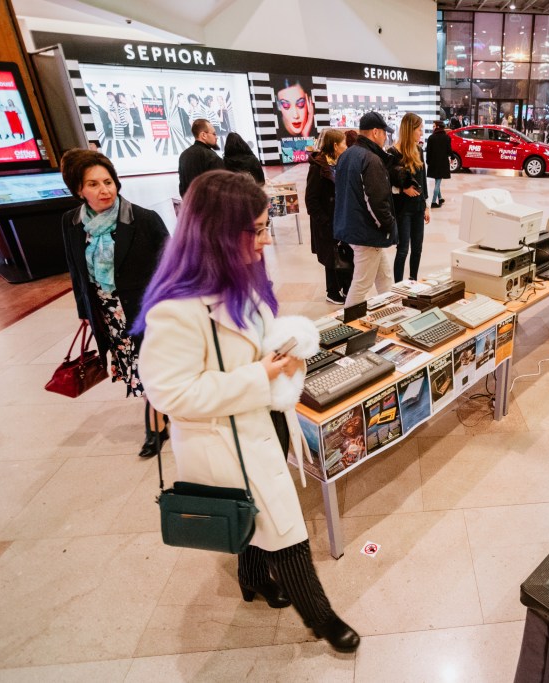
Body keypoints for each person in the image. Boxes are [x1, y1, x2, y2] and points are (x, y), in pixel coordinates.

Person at [135, 170, 360, 654]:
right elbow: (170, 393)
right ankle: (322, 620)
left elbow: (258, 341)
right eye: (255, 230)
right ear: (218, 232)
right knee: (287, 529)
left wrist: (288, 350)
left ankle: (254, 577)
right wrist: (260, 376)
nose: (265, 240)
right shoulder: (176, 309)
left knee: (254, 516)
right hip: (226, 441)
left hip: (264, 422)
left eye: (264, 227)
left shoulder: (239, 276)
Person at [59, 149, 169, 457]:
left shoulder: (143, 219)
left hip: (146, 310)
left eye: (108, 182)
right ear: (79, 190)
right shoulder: (72, 222)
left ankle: (156, 426)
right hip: (108, 314)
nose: (104, 190)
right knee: (135, 366)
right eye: (93, 184)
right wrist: (84, 311)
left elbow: (172, 267)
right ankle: (160, 414)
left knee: (150, 367)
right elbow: (76, 270)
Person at [333, 111, 398, 307]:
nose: (386, 137)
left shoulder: (347, 155)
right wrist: (389, 226)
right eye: (384, 133)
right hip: (367, 232)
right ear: (375, 132)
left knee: (384, 277)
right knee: (362, 284)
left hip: (353, 227)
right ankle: (348, 321)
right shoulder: (371, 159)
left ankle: (392, 310)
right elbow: (376, 202)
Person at [306, 129, 352, 304]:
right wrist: (325, 222)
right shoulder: (318, 167)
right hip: (328, 222)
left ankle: (346, 288)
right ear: (335, 145)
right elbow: (311, 200)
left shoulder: (339, 163)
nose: (346, 146)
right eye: (344, 143)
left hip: (341, 218)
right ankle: (332, 292)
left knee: (343, 253)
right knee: (331, 257)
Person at [387, 113, 430, 282]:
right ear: (409, 130)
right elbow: (387, 183)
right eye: (419, 129)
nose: (421, 132)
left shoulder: (419, 150)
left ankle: (413, 281)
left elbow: (422, 180)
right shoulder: (392, 153)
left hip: (418, 207)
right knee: (403, 249)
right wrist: (402, 189)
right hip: (402, 209)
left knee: (417, 248)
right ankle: (398, 286)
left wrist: (426, 205)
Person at [178, 119, 224, 196]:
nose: (216, 137)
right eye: (214, 134)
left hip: (189, 202)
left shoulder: (183, 155)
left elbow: (182, 187)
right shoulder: (211, 157)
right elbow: (222, 187)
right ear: (203, 135)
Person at [426, 120, 451, 208]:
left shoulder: (431, 137)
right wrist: (452, 157)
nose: (433, 128)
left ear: (438, 127)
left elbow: (428, 151)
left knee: (437, 180)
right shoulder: (446, 137)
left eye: (434, 126)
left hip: (433, 162)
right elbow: (449, 150)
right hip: (442, 163)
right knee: (438, 182)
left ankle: (440, 198)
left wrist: (428, 161)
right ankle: (433, 201)